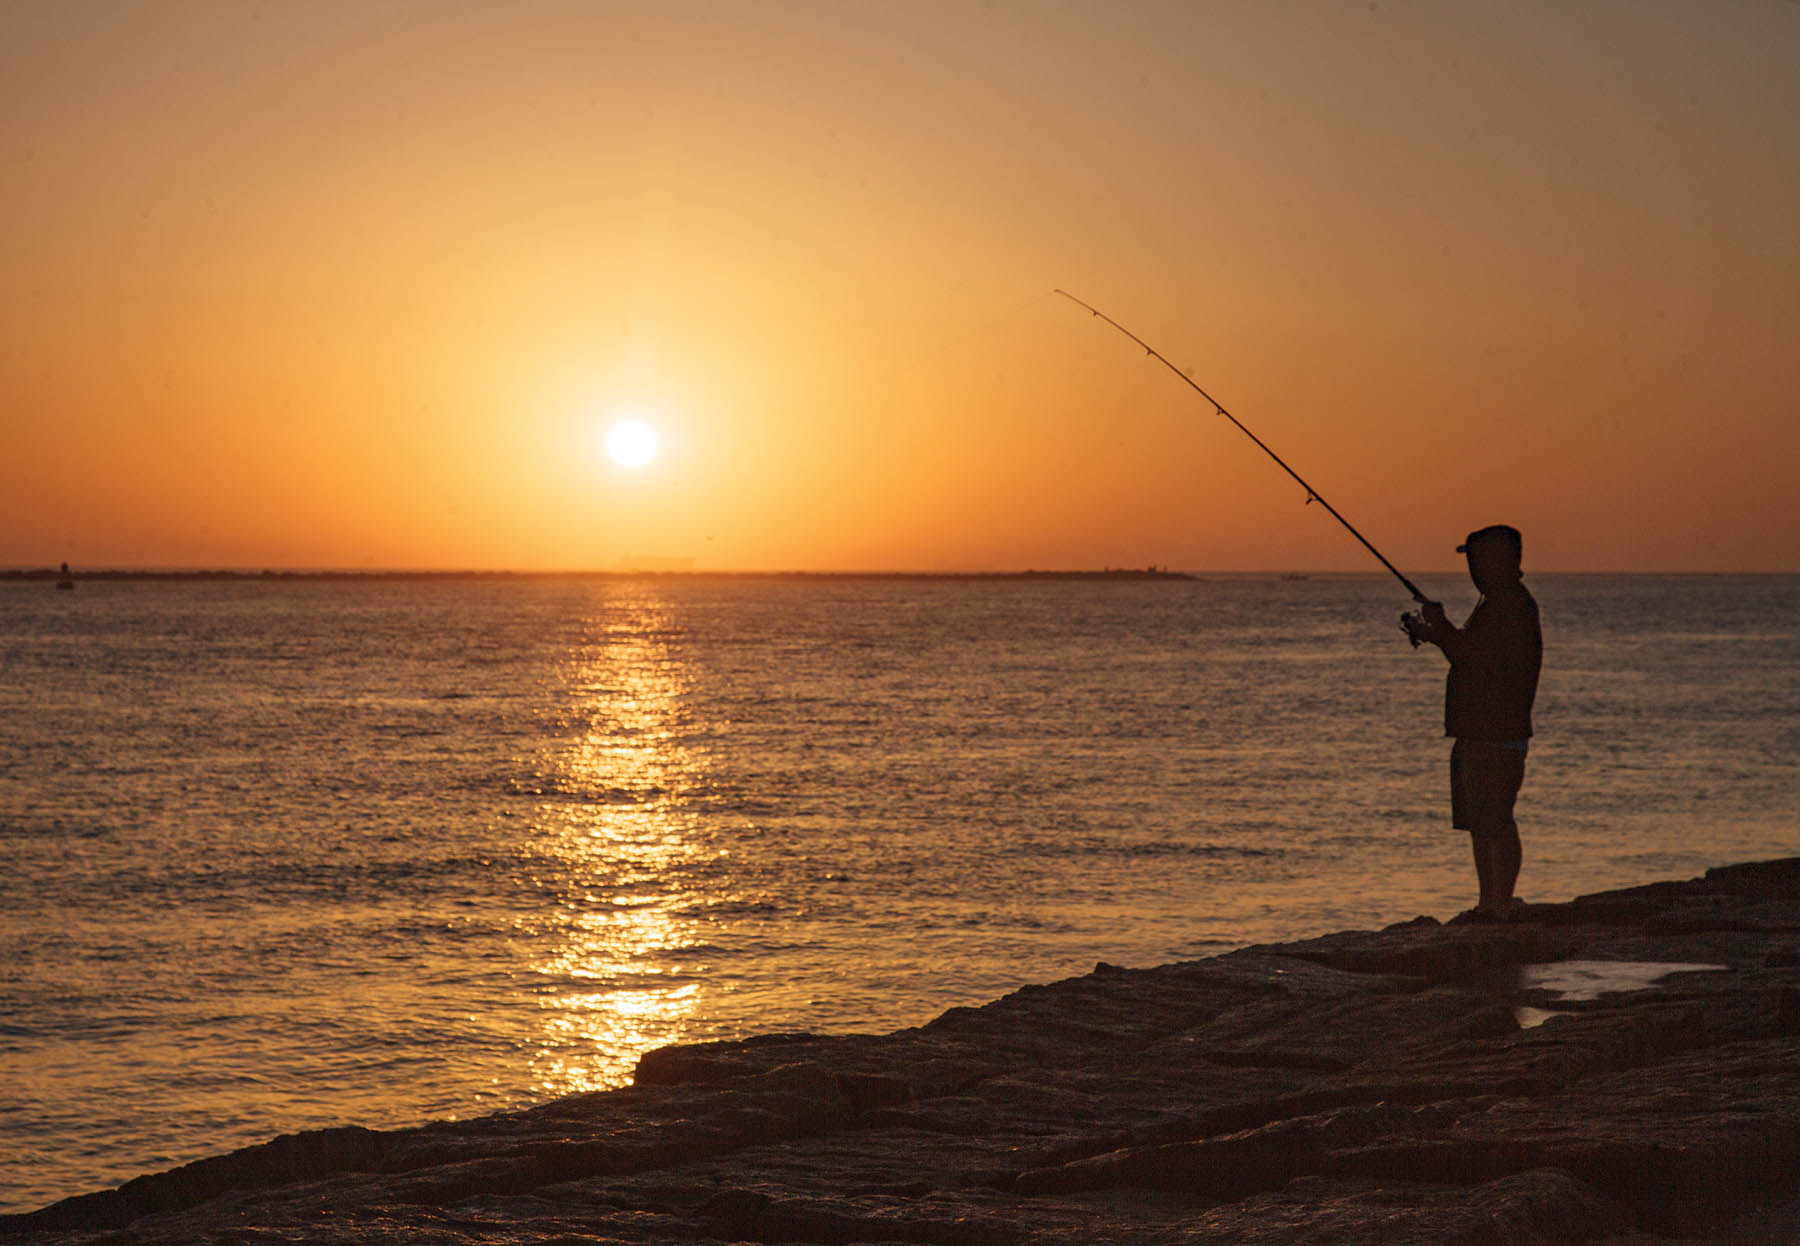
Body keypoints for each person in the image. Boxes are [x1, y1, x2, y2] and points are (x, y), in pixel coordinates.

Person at [1402, 524, 1542, 922]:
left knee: (1496, 818)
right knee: (1482, 823)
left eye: (1476, 559)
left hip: (1497, 733)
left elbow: (1472, 656)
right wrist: (1434, 633)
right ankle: (1489, 902)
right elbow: (1470, 654)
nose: (1471, 568)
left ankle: (1500, 901)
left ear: (1497, 560)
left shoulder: (1509, 605)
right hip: (1480, 731)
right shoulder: (1498, 603)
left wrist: (1441, 628)